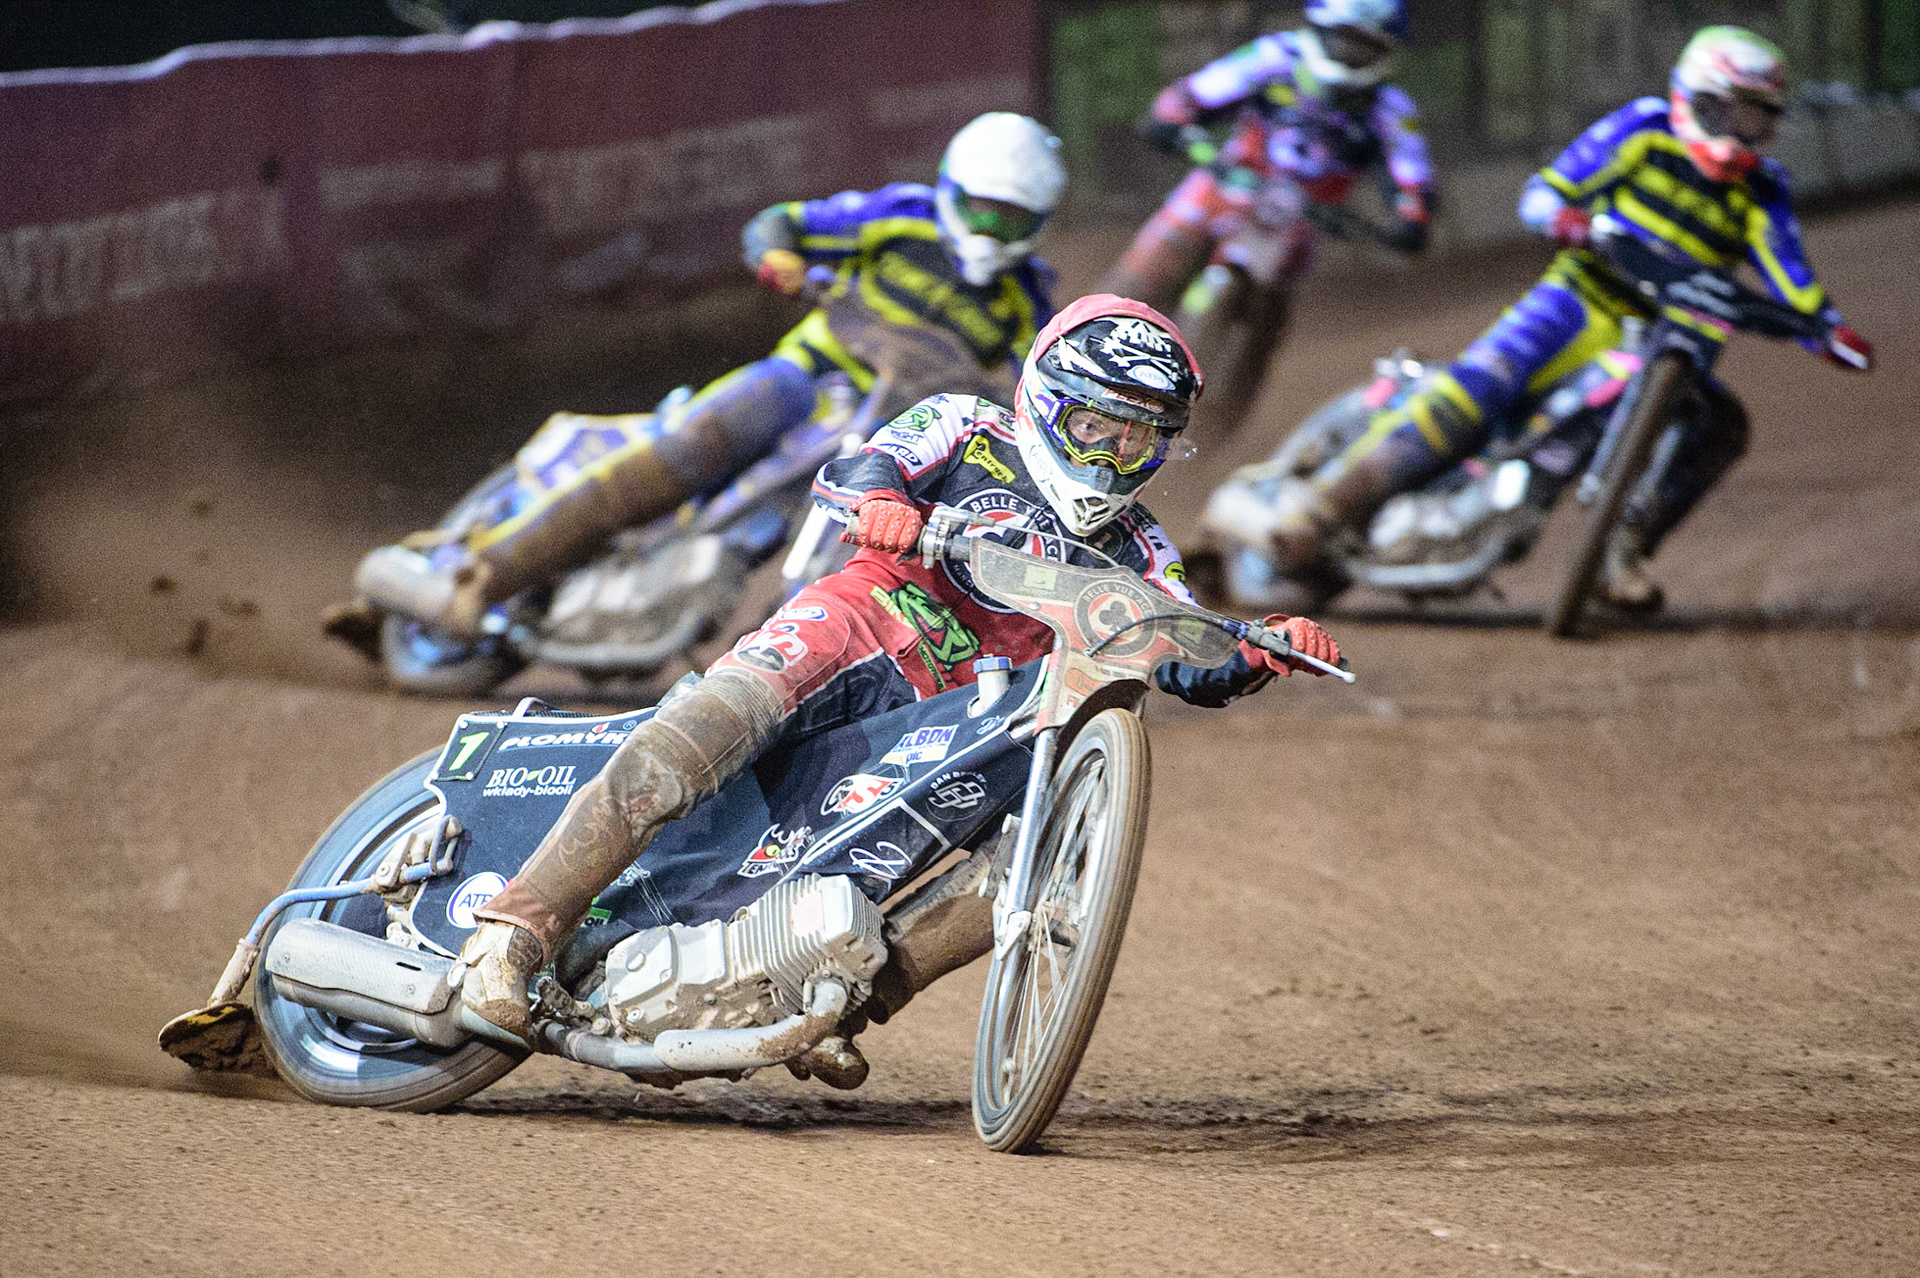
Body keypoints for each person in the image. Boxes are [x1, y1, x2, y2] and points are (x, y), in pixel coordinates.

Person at [455, 295, 1344, 1079]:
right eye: (1099, 428)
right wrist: (886, 505)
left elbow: (1182, 650)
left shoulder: (1145, 552)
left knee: (1025, 871)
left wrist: (1257, 653)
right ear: (1048, 405)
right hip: (862, 621)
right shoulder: (967, 424)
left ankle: (840, 1009)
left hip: (962, 716)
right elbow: (865, 468)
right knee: (701, 729)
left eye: (1142, 437)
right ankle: (515, 931)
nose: (1116, 456)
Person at [347, 112, 1067, 637]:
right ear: (951, 187)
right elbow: (782, 221)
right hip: (808, 380)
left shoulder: (1025, 300)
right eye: (982, 209)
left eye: (1013, 220)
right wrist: (780, 257)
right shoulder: (898, 218)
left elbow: (1037, 380)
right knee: (696, 444)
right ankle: (479, 578)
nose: (992, 232)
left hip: (888, 432)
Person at [1236, 26, 1874, 612]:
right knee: (1481, 384)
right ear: (1690, 97)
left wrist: (1828, 329)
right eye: (1724, 111)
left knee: (1720, 428)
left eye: (1753, 118)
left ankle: (1622, 553)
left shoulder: (1764, 188)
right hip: (1581, 297)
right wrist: (1567, 219)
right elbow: (1548, 189)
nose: (1736, 132)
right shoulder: (1647, 128)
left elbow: (1792, 276)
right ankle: (1322, 511)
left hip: (1681, 335)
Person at [1100, 0, 1434, 318]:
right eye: (1345, 40)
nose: (1352, 54)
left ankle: (1242, 362)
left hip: (1305, 217)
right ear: (1320, 29)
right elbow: (1201, 90)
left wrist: (1412, 218)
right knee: (1151, 259)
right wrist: (1171, 117)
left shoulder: (1391, 107)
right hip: (1230, 179)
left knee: (1276, 300)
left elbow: (1411, 171)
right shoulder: (1276, 56)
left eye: (1366, 46)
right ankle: (1087, 327)